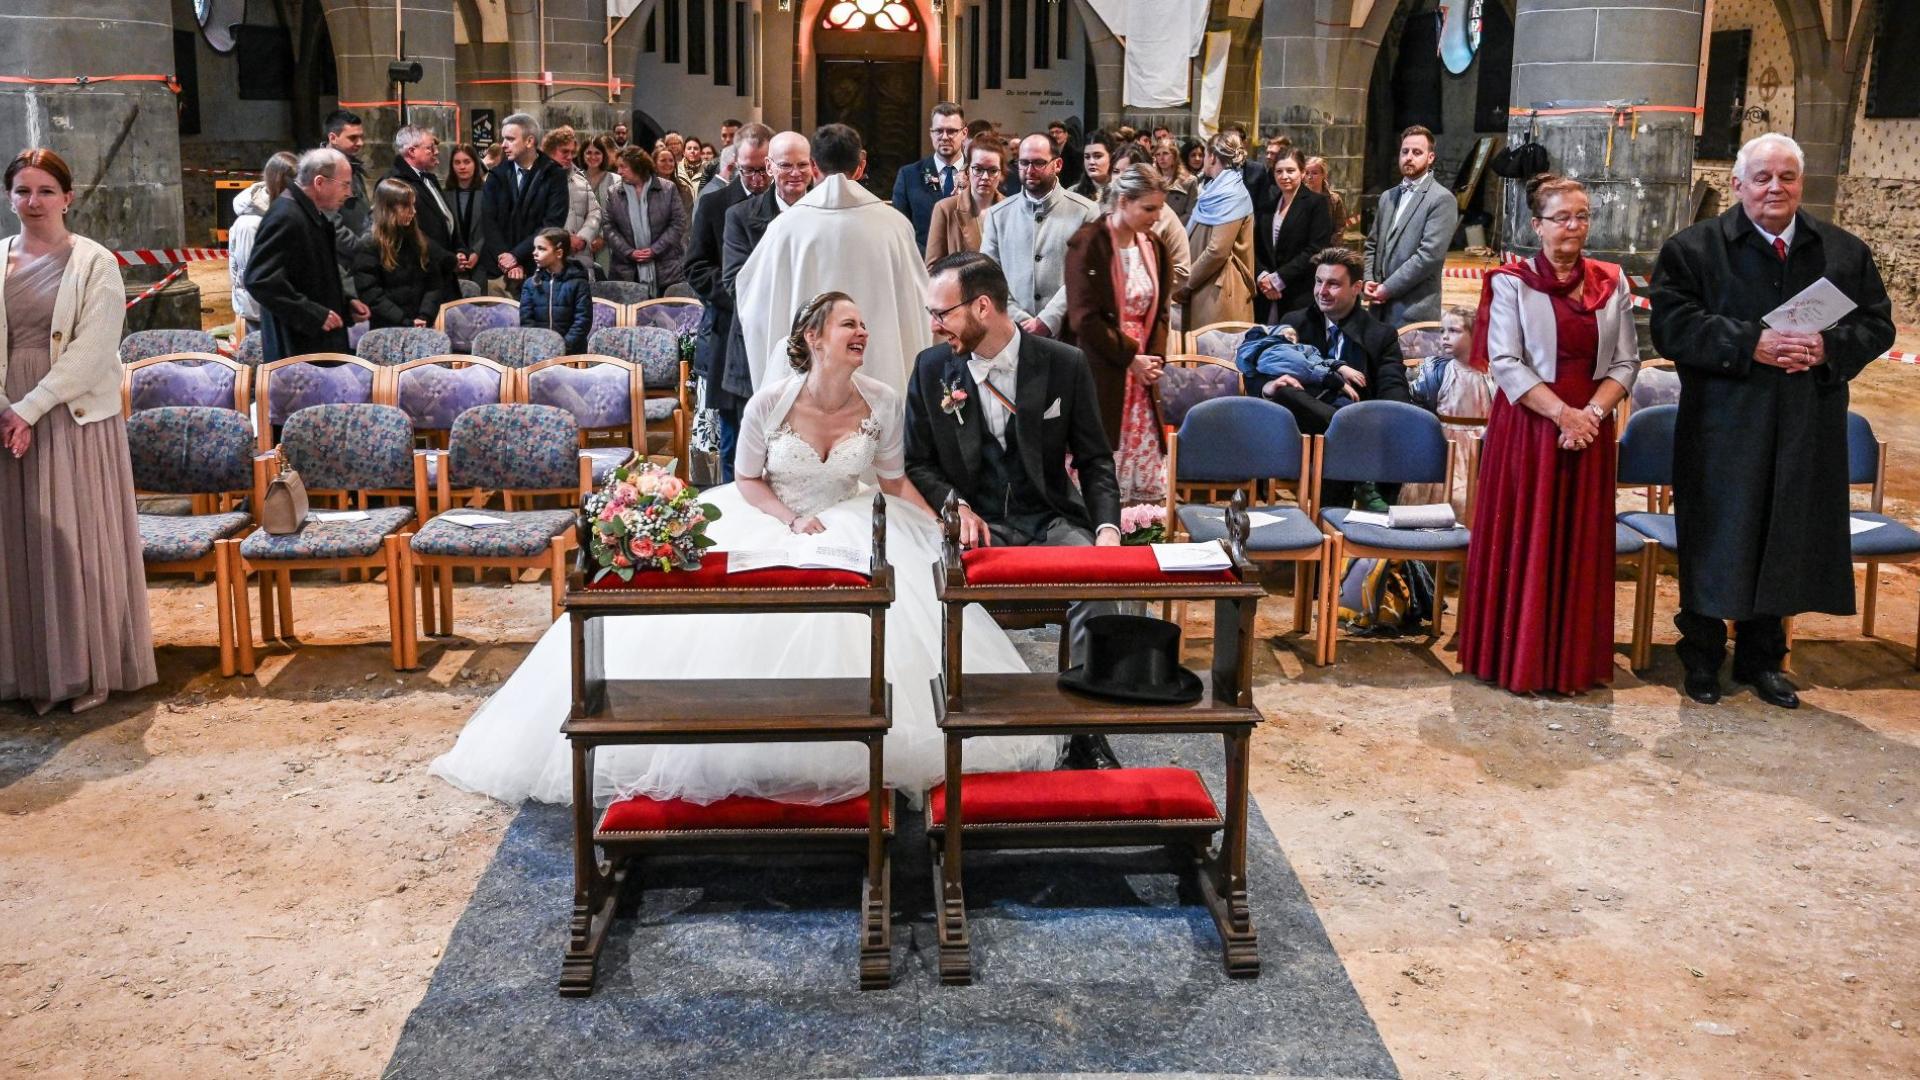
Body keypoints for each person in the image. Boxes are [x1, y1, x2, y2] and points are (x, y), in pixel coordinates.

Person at [429, 293, 1059, 804]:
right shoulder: (769, 402)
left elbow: (893, 480)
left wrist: (943, 519)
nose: (862, 332)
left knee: (886, 610)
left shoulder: (883, 401)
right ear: (814, 337)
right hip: (768, 514)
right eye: (849, 323)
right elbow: (749, 479)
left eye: (863, 324)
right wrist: (790, 519)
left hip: (852, 514)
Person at [1649, 132, 1895, 708]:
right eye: (1762, 177)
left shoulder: (1842, 252)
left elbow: (1877, 325)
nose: (1775, 188)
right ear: (1738, 185)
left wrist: (1829, 347)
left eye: (1787, 177)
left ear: (1800, 184)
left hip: (1806, 422)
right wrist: (1750, 343)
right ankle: (1702, 655)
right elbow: (1672, 327)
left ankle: (1763, 659)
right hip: (1724, 425)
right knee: (1718, 535)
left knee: (1784, 533)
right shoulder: (1693, 249)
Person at [907, 252, 1125, 770]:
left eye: (942, 313)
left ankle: (1086, 731)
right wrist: (956, 507)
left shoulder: (1063, 364)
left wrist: (1107, 530)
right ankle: (956, 730)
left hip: (1049, 518)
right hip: (976, 527)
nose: (934, 326)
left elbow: (1095, 459)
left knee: (1099, 587)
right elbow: (917, 462)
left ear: (983, 306)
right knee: (927, 593)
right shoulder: (932, 368)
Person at [1458, 175, 1643, 696]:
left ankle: (1570, 663)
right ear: (1537, 226)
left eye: (1582, 216)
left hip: (1589, 430)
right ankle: (1516, 660)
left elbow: (1627, 361)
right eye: (1562, 217)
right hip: (1530, 427)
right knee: (1527, 537)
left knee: (1578, 544)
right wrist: (1564, 415)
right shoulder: (1510, 282)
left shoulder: (1612, 281)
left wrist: (1591, 416)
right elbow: (1505, 362)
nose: (1574, 226)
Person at [0, 148, 156, 714]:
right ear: (9, 197)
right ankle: (26, 672)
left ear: (68, 198)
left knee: (73, 539)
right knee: (17, 542)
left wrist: (30, 408)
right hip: (7, 419)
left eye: (46, 191)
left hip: (71, 416)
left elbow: (93, 350)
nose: (34, 201)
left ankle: (83, 666)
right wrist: (6, 409)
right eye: (23, 190)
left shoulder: (95, 263)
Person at [736, 124, 933, 397]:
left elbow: (755, 305)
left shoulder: (786, 227)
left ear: (813, 166)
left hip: (807, 385)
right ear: (860, 166)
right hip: (882, 376)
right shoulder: (895, 227)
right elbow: (919, 303)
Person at [1255, 247, 1408, 510]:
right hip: (1301, 426)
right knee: (1286, 392)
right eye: (1318, 281)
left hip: (1354, 425)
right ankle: (1351, 473)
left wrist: (1391, 419)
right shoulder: (1294, 323)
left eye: (1333, 284)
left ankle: (1331, 525)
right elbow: (1260, 369)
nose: (1322, 291)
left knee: (1358, 433)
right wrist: (1269, 386)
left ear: (1356, 287)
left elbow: (1394, 388)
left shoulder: (1380, 335)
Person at [1064, 164, 1172, 505]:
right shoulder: (1088, 243)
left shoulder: (1154, 245)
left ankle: (1140, 526)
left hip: (1141, 371)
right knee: (1100, 447)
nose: (1156, 217)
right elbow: (1084, 318)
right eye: (1149, 208)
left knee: (1142, 461)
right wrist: (1130, 357)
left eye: (1159, 208)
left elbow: (1162, 310)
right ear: (1123, 201)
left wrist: (1153, 359)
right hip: (1101, 363)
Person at [686, 123, 773, 481]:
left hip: (777, 333)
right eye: (748, 170)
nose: (757, 179)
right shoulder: (715, 204)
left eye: (763, 169)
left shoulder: (791, 204)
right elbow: (696, 267)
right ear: (735, 164)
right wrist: (741, 298)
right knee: (734, 439)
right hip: (729, 326)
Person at [718, 131, 813, 450]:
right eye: (786, 165)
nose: (796, 173)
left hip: (813, 352)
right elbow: (735, 282)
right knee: (755, 452)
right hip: (755, 347)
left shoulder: (826, 215)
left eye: (802, 164)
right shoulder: (741, 216)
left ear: (813, 166)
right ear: (770, 167)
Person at [246, 148, 369, 362]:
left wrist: (344, 303)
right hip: (298, 350)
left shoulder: (308, 212)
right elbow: (260, 279)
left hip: (316, 343)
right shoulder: (286, 216)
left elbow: (310, 274)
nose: (349, 193)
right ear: (319, 182)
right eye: (345, 184)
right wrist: (313, 314)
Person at [979, 133, 1100, 340]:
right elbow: (988, 277)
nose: (1029, 170)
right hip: (1012, 332)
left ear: (1057, 164)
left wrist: (1048, 320)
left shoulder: (1086, 211)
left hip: (1067, 333)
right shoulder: (998, 215)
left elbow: (1087, 273)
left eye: (1038, 163)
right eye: (1023, 163)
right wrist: (1018, 319)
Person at [1400, 305, 1493, 514]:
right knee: (1434, 494)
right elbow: (1418, 406)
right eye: (1443, 331)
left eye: (1454, 331)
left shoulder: (1492, 374)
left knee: (1472, 497)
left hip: (1481, 447)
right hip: (1443, 445)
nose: (1445, 337)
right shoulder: (1436, 372)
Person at [1364, 125, 1457, 328]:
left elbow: (1429, 256)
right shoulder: (1387, 196)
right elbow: (1372, 244)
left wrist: (1388, 288)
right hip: (1378, 310)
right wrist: (1368, 279)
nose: (1409, 157)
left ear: (1430, 157)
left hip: (1414, 311)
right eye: (1405, 151)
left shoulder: (1441, 199)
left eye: (1417, 152)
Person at [481, 112, 569, 296]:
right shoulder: (496, 175)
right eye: (503, 138)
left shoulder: (554, 175)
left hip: (539, 267)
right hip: (500, 269)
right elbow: (488, 222)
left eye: (510, 139)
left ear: (529, 141)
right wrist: (506, 259)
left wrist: (516, 255)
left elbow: (551, 224)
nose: (503, 145)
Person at [1178, 133, 1256, 330]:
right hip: (1204, 285)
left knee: (1214, 347)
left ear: (1212, 157)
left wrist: (1187, 284)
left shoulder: (1231, 194)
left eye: (1204, 154)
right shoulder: (1215, 188)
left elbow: (1217, 251)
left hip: (1220, 291)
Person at [354, 179, 454, 331]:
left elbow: (434, 282)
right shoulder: (369, 244)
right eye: (406, 206)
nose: (413, 211)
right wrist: (404, 320)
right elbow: (371, 294)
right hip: (388, 328)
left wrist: (424, 315)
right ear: (388, 208)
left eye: (413, 205)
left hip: (421, 324)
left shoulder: (418, 239)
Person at [383, 125, 466, 305]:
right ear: (412, 151)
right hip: (420, 277)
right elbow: (409, 232)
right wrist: (447, 258)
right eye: (430, 147)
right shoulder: (395, 183)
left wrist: (459, 249)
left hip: (443, 271)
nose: (436, 152)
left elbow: (445, 219)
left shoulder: (428, 178)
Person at [1254, 148, 1333, 323]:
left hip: (1298, 293)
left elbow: (1315, 249)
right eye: (1279, 171)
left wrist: (1278, 279)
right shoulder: (1267, 206)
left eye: (1290, 170)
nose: (1284, 176)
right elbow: (1256, 247)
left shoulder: (1316, 203)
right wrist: (1262, 277)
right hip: (1265, 294)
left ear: (1302, 172)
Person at [228, 150, 299, 338]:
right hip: (259, 313)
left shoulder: (282, 212)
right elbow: (251, 274)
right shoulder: (250, 223)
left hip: (280, 307)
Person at [604, 146, 688, 297]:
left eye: (623, 166)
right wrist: (629, 252)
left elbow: (678, 223)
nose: (619, 171)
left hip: (666, 269)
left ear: (637, 165)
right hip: (626, 270)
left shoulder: (668, 189)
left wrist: (654, 250)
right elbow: (609, 227)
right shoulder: (614, 192)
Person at [892, 102, 968, 251]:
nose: (944, 137)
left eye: (951, 131)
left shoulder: (977, 174)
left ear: (964, 133)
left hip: (969, 261)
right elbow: (900, 229)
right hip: (923, 261)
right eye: (939, 131)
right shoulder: (909, 176)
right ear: (931, 133)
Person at [924, 132, 1005, 268]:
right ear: (967, 171)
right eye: (978, 169)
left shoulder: (1013, 209)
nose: (985, 177)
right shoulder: (945, 209)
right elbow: (932, 268)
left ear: (1001, 174)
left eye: (993, 170)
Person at [320, 109, 372, 297]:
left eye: (361, 137)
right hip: (341, 269)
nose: (360, 143)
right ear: (333, 138)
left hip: (360, 263)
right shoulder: (322, 170)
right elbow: (330, 223)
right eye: (353, 138)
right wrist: (361, 247)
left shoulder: (351, 166)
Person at [541, 126, 604, 279]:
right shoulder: (538, 180)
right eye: (565, 152)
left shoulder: (580, 180)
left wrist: (583, 238)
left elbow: (595, 212)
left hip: (581, 259)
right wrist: (564, 240)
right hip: (550, 260)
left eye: (572, 152)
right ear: (550, 151)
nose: (570, 157)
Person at [517, 227, 592, 354]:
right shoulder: (531, 284)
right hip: (539, 352)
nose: (535, 253)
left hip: (571, 354)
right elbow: (527, 321)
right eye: (535, 248)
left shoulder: (579, 283)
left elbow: (582, 321)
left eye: (541, 248)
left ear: (559, 253)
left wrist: (562, 347)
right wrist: (540, 346)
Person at [445, 144, 489, 294]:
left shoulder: (488, 193)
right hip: (453, 262)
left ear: (475, 164)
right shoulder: (444, 195)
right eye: (457, 162)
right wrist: (456, 256)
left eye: (467, 162)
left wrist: (477, 252)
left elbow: (491, 227)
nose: (462, 167)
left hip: (481, 261)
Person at [1153, 137, 1199, 222]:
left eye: (1165, 153)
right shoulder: (1152, 180)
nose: (1161, 158)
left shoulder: (1189, 181)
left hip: (1177, 226)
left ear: (1174, 156)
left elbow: (1190, 213)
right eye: (1158, 154)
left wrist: (1172, 225)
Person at [1305, 156, 1347, 239]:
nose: (1309, 177)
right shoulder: (1299, 197)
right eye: (1307, 173)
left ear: (1323, 174)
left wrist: (1332, 243)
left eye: (1314, 173)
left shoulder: (1334, 199)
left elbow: (1340, 226)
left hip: (1326, 244)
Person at [1073, 129, 1116, 203]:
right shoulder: (1073, 193)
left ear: (1111, 157)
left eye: (1098, 156)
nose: (1091, 162)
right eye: (1087, 157)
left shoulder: (1121, 192)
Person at [657, 144, 695, 216]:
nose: (668, 163)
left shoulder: (684, 189)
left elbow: (687, 217)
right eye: (663, 160)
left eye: (671, 160)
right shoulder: (647, 188)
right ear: (654, 163)